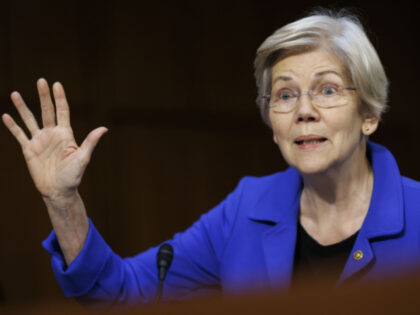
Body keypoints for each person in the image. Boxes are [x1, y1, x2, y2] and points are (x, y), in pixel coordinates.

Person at [3, 9, 420, 306]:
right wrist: (63, 201)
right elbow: (120, 293)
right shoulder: (247, 208)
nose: (303, 111)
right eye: (285, 95)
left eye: (327, 90)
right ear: (272, 124)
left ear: (369, 115)